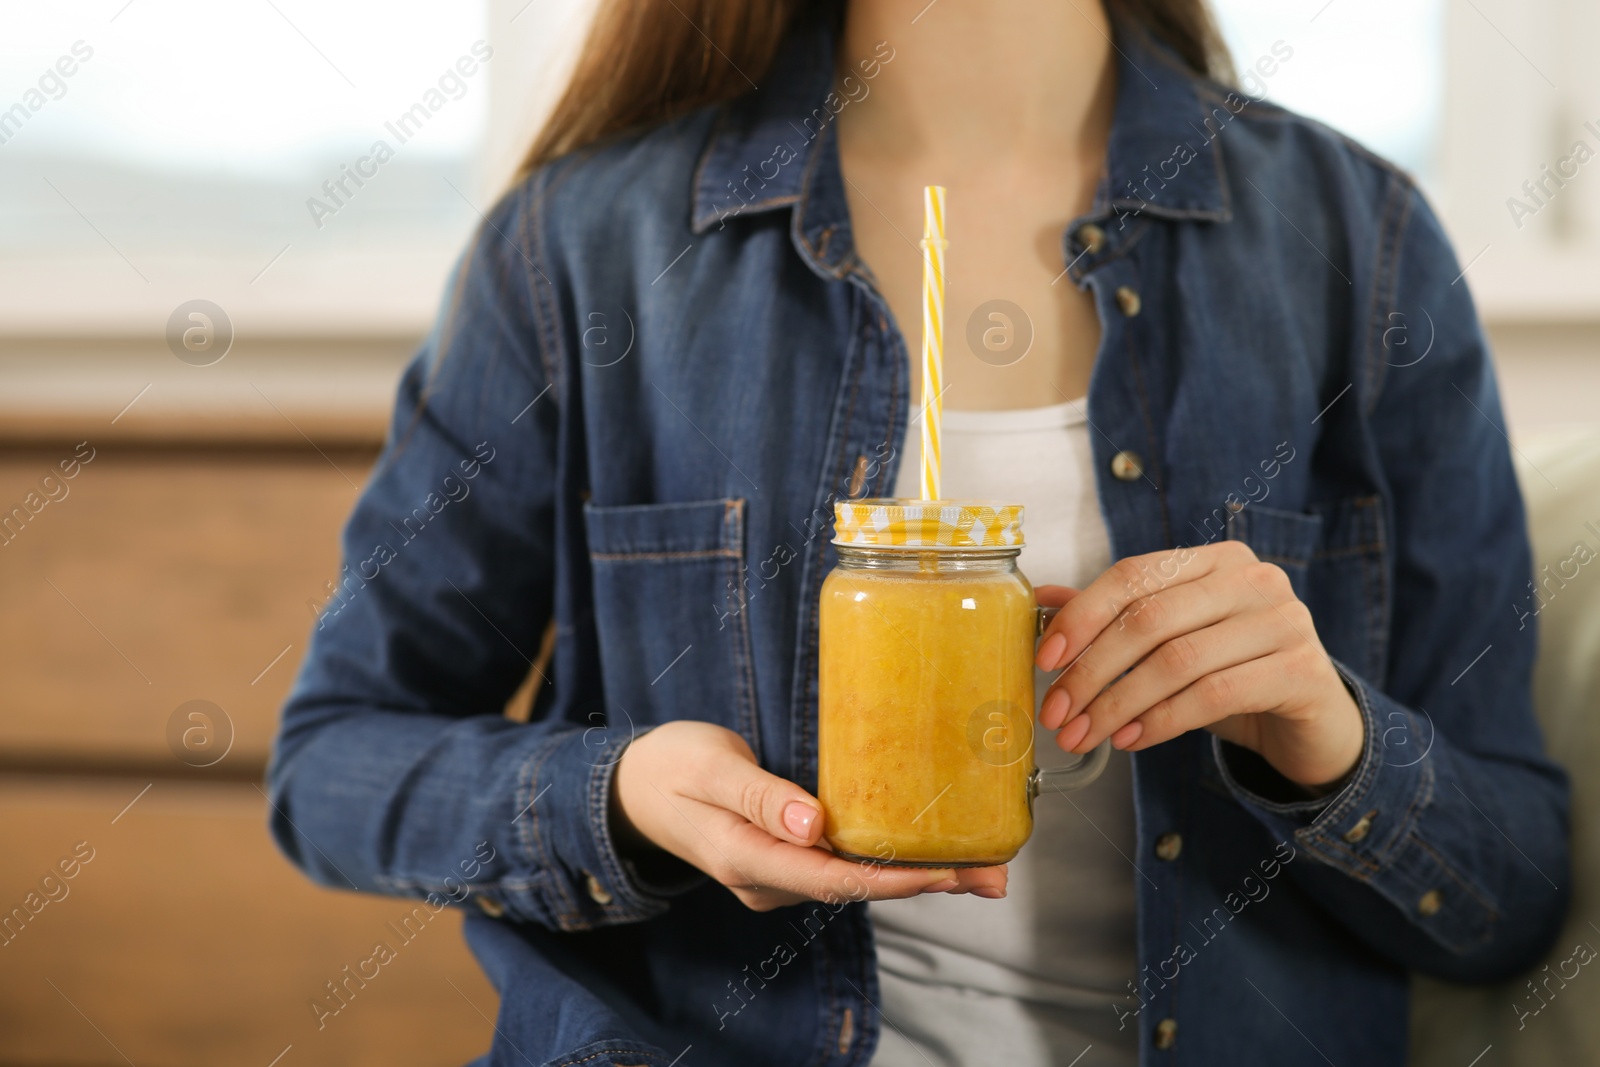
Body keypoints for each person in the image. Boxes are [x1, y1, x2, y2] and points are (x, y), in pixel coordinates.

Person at [267, 1, 1570, 1064]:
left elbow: (1509, 899)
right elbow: (331, 769)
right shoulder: (576, 252)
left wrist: (1323, 740)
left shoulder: (1362, 243)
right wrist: (621, 796)